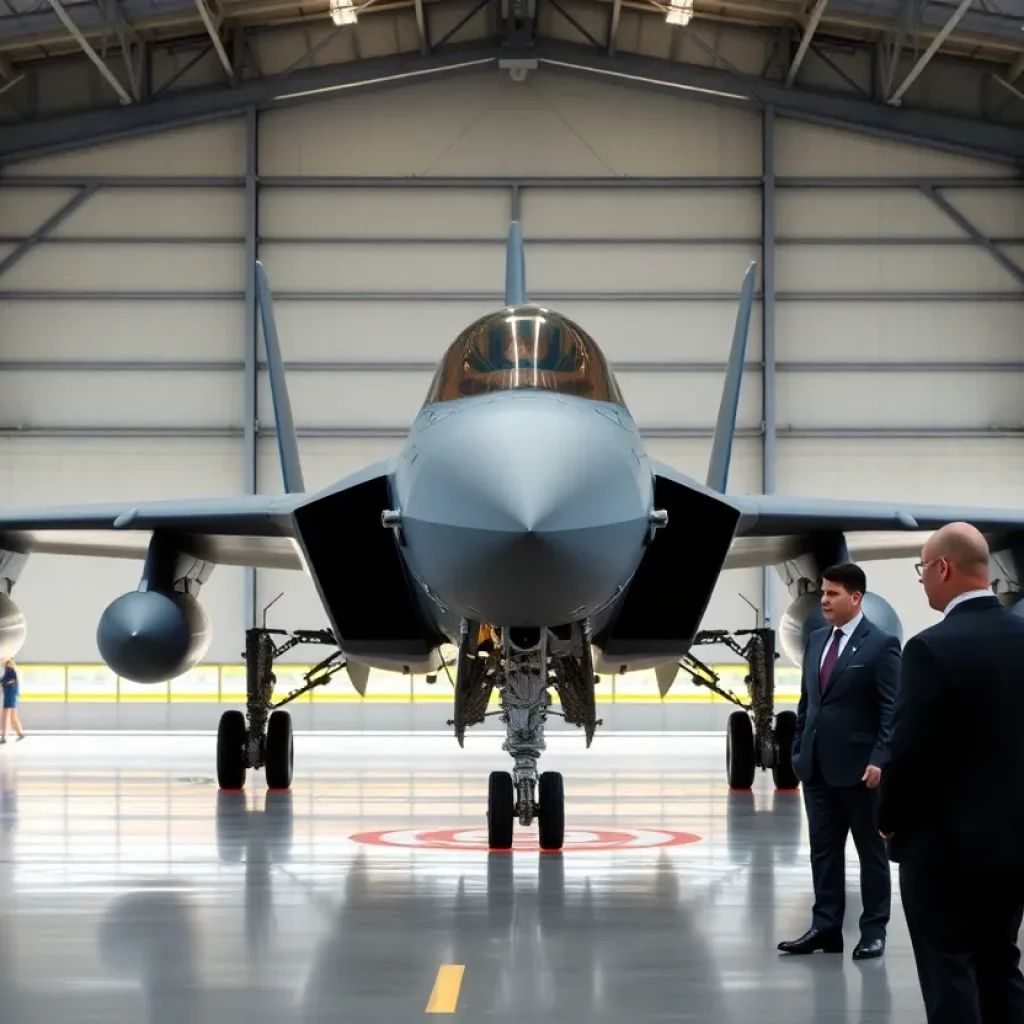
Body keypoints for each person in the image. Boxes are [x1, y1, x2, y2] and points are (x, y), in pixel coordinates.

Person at [878, 522, 1024, 1024]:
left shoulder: (930, 648)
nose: (921, 580)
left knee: (950, 975)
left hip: (943, 853)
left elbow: (909, 751)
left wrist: (888, 817)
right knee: (1001, 964)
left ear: (943, 568)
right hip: (1013, 848)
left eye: (922, 569)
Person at [778, 562, 900, 961]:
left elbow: (890, 710)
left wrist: (881, 758)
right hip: (816, 770)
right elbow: (806, 702)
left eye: (832, 594)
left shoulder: (881, 645)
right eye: (823, 593)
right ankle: (825, 928)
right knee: (823, 852)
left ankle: (874, 930)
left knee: (871, 854)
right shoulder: (815, 640)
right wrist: (799, 751)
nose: (824, 600)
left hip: (862, 773)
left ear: (855, 597)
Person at [0, 659, 24, 744]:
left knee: (5, 717)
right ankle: (20, 733)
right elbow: (3, 680)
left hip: (9, 697)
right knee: (12, 717)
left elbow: (8, 680)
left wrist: (4, 684)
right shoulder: (10, 672)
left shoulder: (11, 671)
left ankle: (3, 737)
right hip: (12, 697)